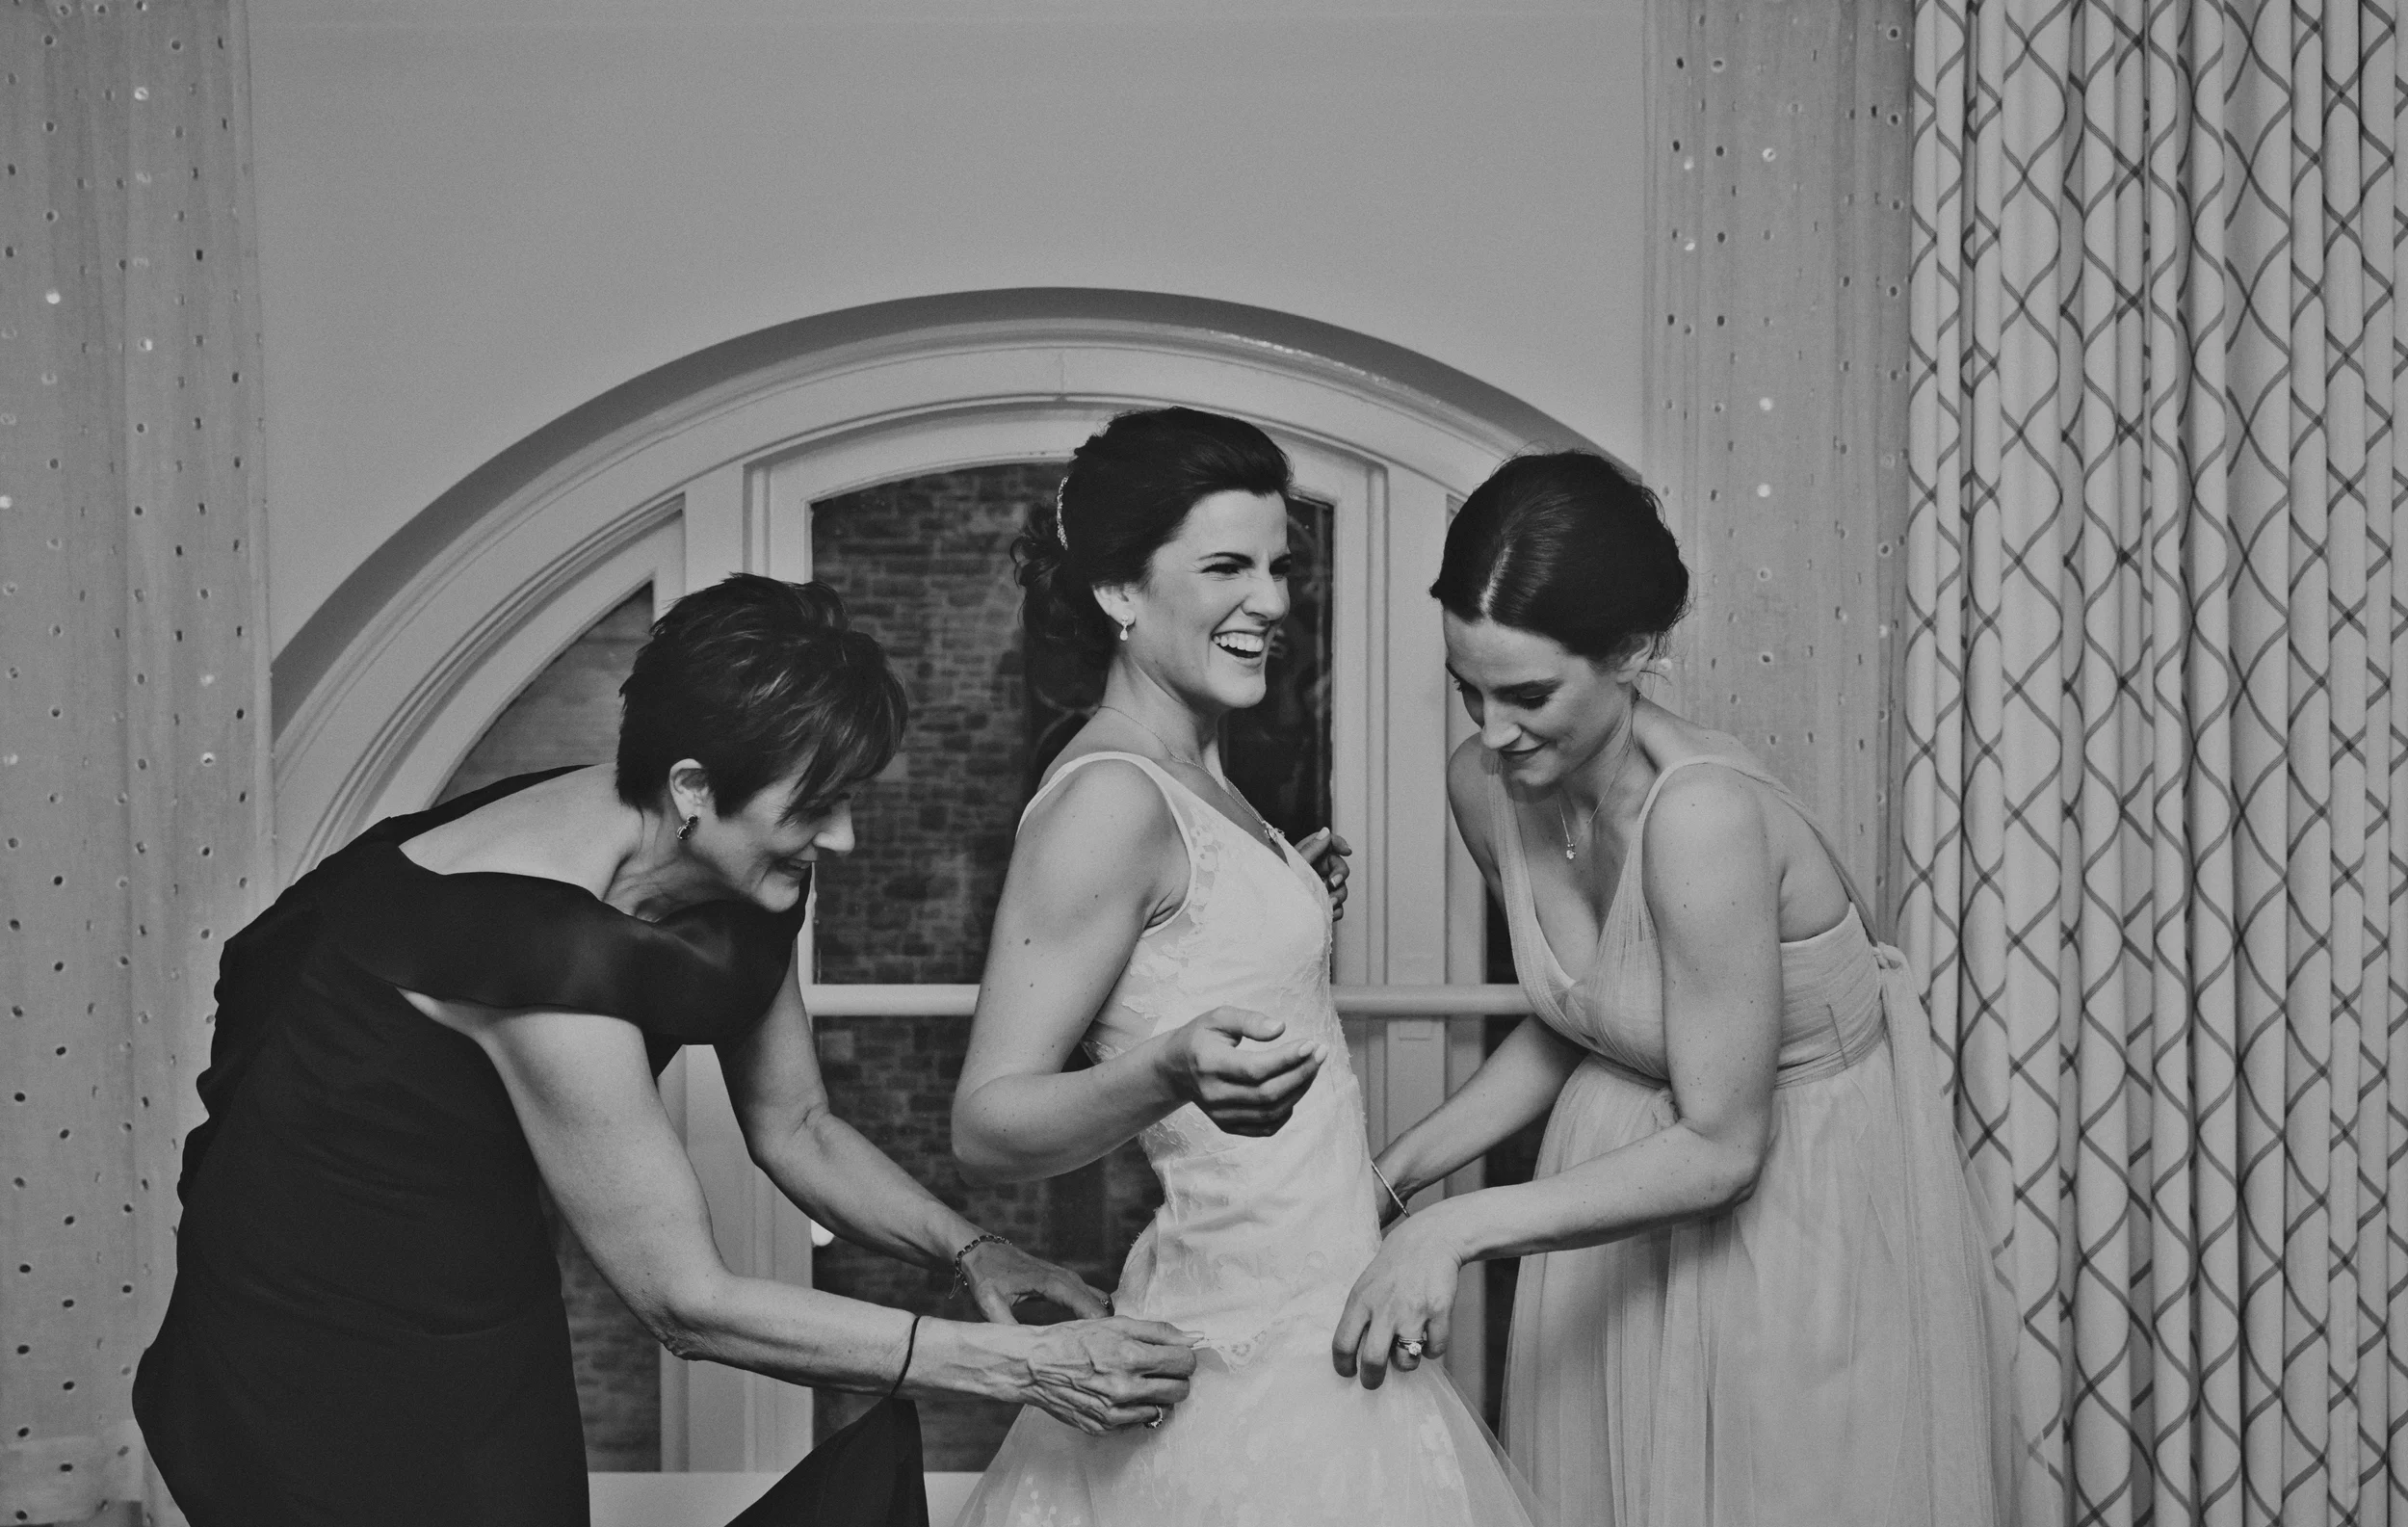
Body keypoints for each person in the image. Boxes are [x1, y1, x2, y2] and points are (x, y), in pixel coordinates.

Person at [133, 576, 1198, 1527]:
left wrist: (971, 1251)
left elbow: (797, 1126)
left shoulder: (732, 860)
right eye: (814, 807)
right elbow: (684, 1300)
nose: (840, 838)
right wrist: (1023, 1367)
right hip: (311, 1337)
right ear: (693, 786)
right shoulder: (535, 945)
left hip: (481, 1290)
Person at [1328, 452, 2017, 1525]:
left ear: (1633, 651)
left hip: (1791, 1212)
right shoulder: (1485, 784)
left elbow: (1725, 1149)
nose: (1493, 731)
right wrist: (1393, 1177)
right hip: (1616, 1201)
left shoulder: (1699, 817)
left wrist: (1449, 1229)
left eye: (1528, 694)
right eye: (1469, 689)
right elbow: (1589, 1015)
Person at [947, 408, 1541, 1527]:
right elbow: (986, 1126)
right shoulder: (1109, 797)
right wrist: (1166, 1068)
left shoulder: (1197, 774)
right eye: (1226, 567)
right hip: (1238, 1343)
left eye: (1278, 567)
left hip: (1323, 1305)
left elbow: (1185, 951)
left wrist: (1276, 902)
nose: (1270, 601)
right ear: (1118, 590)